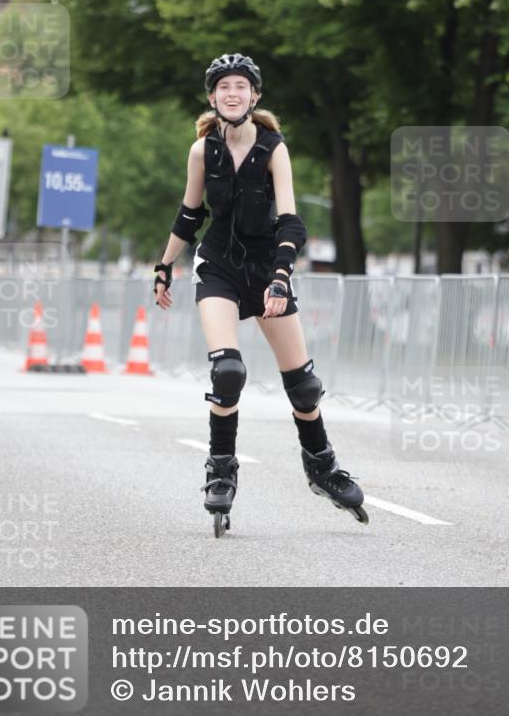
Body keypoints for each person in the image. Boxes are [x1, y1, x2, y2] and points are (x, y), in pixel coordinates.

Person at [153, 53, 368, 536]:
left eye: (241, 86)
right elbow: (190, 215)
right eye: (224, 86)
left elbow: (290, 222)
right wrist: (164, 266)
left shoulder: (274, 148)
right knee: (227, 371)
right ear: (213, 97)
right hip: (218, 266)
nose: (232, 93)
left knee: (304, 386)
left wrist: (280, 277)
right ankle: (221, 472)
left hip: (266, 268)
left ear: (254, 96)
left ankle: (322, 467)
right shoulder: (201, 150)